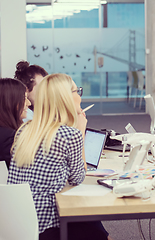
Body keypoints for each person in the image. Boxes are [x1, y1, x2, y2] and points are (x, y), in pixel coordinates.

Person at [7, 73, 111, 240]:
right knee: (95, 229)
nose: (79, 96)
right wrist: (80, 131)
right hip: (48, 225)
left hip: (18, 222)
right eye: (77, 91)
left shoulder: (25, 130)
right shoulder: (69, 134)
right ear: (66, 98)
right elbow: (77, 178)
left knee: (94, 227)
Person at [0, 78, 31, 169]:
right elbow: (21, 171)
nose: (28, 103)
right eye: (24, 98)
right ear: (10, 101)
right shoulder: (8, 135)